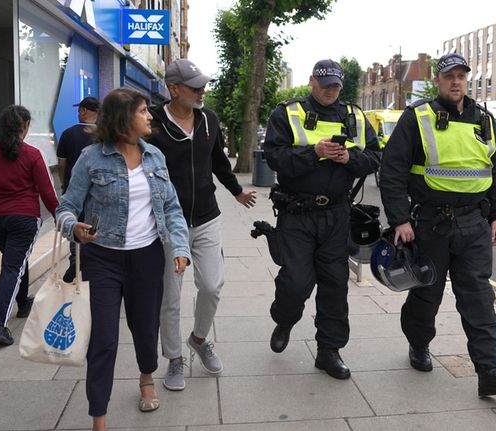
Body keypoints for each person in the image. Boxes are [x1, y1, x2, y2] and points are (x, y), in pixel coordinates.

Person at [379, 53, 496, 397]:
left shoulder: (485, 121)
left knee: (478, 298)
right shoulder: (418, 117)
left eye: (461, 75)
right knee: (426, 295)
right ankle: (418, 344)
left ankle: (490, 371)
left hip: (473, 223)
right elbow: (393, 170)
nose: (456, 81)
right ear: (438, 81)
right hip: (431, 223)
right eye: (450, 76)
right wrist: (400, 219)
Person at [56, 88, 191, 431]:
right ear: (122, 118)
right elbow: (66, 206)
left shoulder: (155, 157)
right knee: (103, 338)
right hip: (101, 258)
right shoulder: (90, 158)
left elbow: (172, 208)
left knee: (145, 328)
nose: (149, 116)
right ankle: (98, 417)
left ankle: (147, 377)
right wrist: (73, 228)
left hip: (146, 258)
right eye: (143, 111)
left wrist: (179, 247)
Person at [262, 59, 380, 379]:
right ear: (311, 80)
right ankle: (285, 319)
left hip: (337, 214)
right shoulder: (287, 113)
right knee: (296, 281)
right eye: (324, 84)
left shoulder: (354, 116)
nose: (330, 90)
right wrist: (315, 152)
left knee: (334, 286)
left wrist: (348, 158)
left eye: (335, 86)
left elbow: (374, 157)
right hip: (297, 213)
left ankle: (329, 351)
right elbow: (274, 157)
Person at [146, 58, 256, 390]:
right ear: (174, 88)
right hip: (168, 221)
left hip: (207, 215)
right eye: (195, 87)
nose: (202, 91)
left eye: (203, 85)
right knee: (172, 295)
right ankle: (175, 358)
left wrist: (236, 191)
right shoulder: (152, 122)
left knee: (212, 285)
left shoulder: (209, 119)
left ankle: (198, 338)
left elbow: (219, 161)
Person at [0, 105, 60, 346]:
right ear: (24, 127)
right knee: (12, 267)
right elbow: (47, 192)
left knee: (15, 262)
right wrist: (59, 216)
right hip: (24, 218)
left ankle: (23, 303)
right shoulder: (32, 154)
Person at [56, 96, 100, 283]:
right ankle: (87, 263)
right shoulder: (105, 136)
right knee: (93, 229)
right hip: (97, 195)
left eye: (80, 109)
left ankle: (76, 262)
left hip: (74, 192)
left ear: (85, 111)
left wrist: (64, 183)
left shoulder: (68, 134)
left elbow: (61, 163)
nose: (78, 112)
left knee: (75, 227)